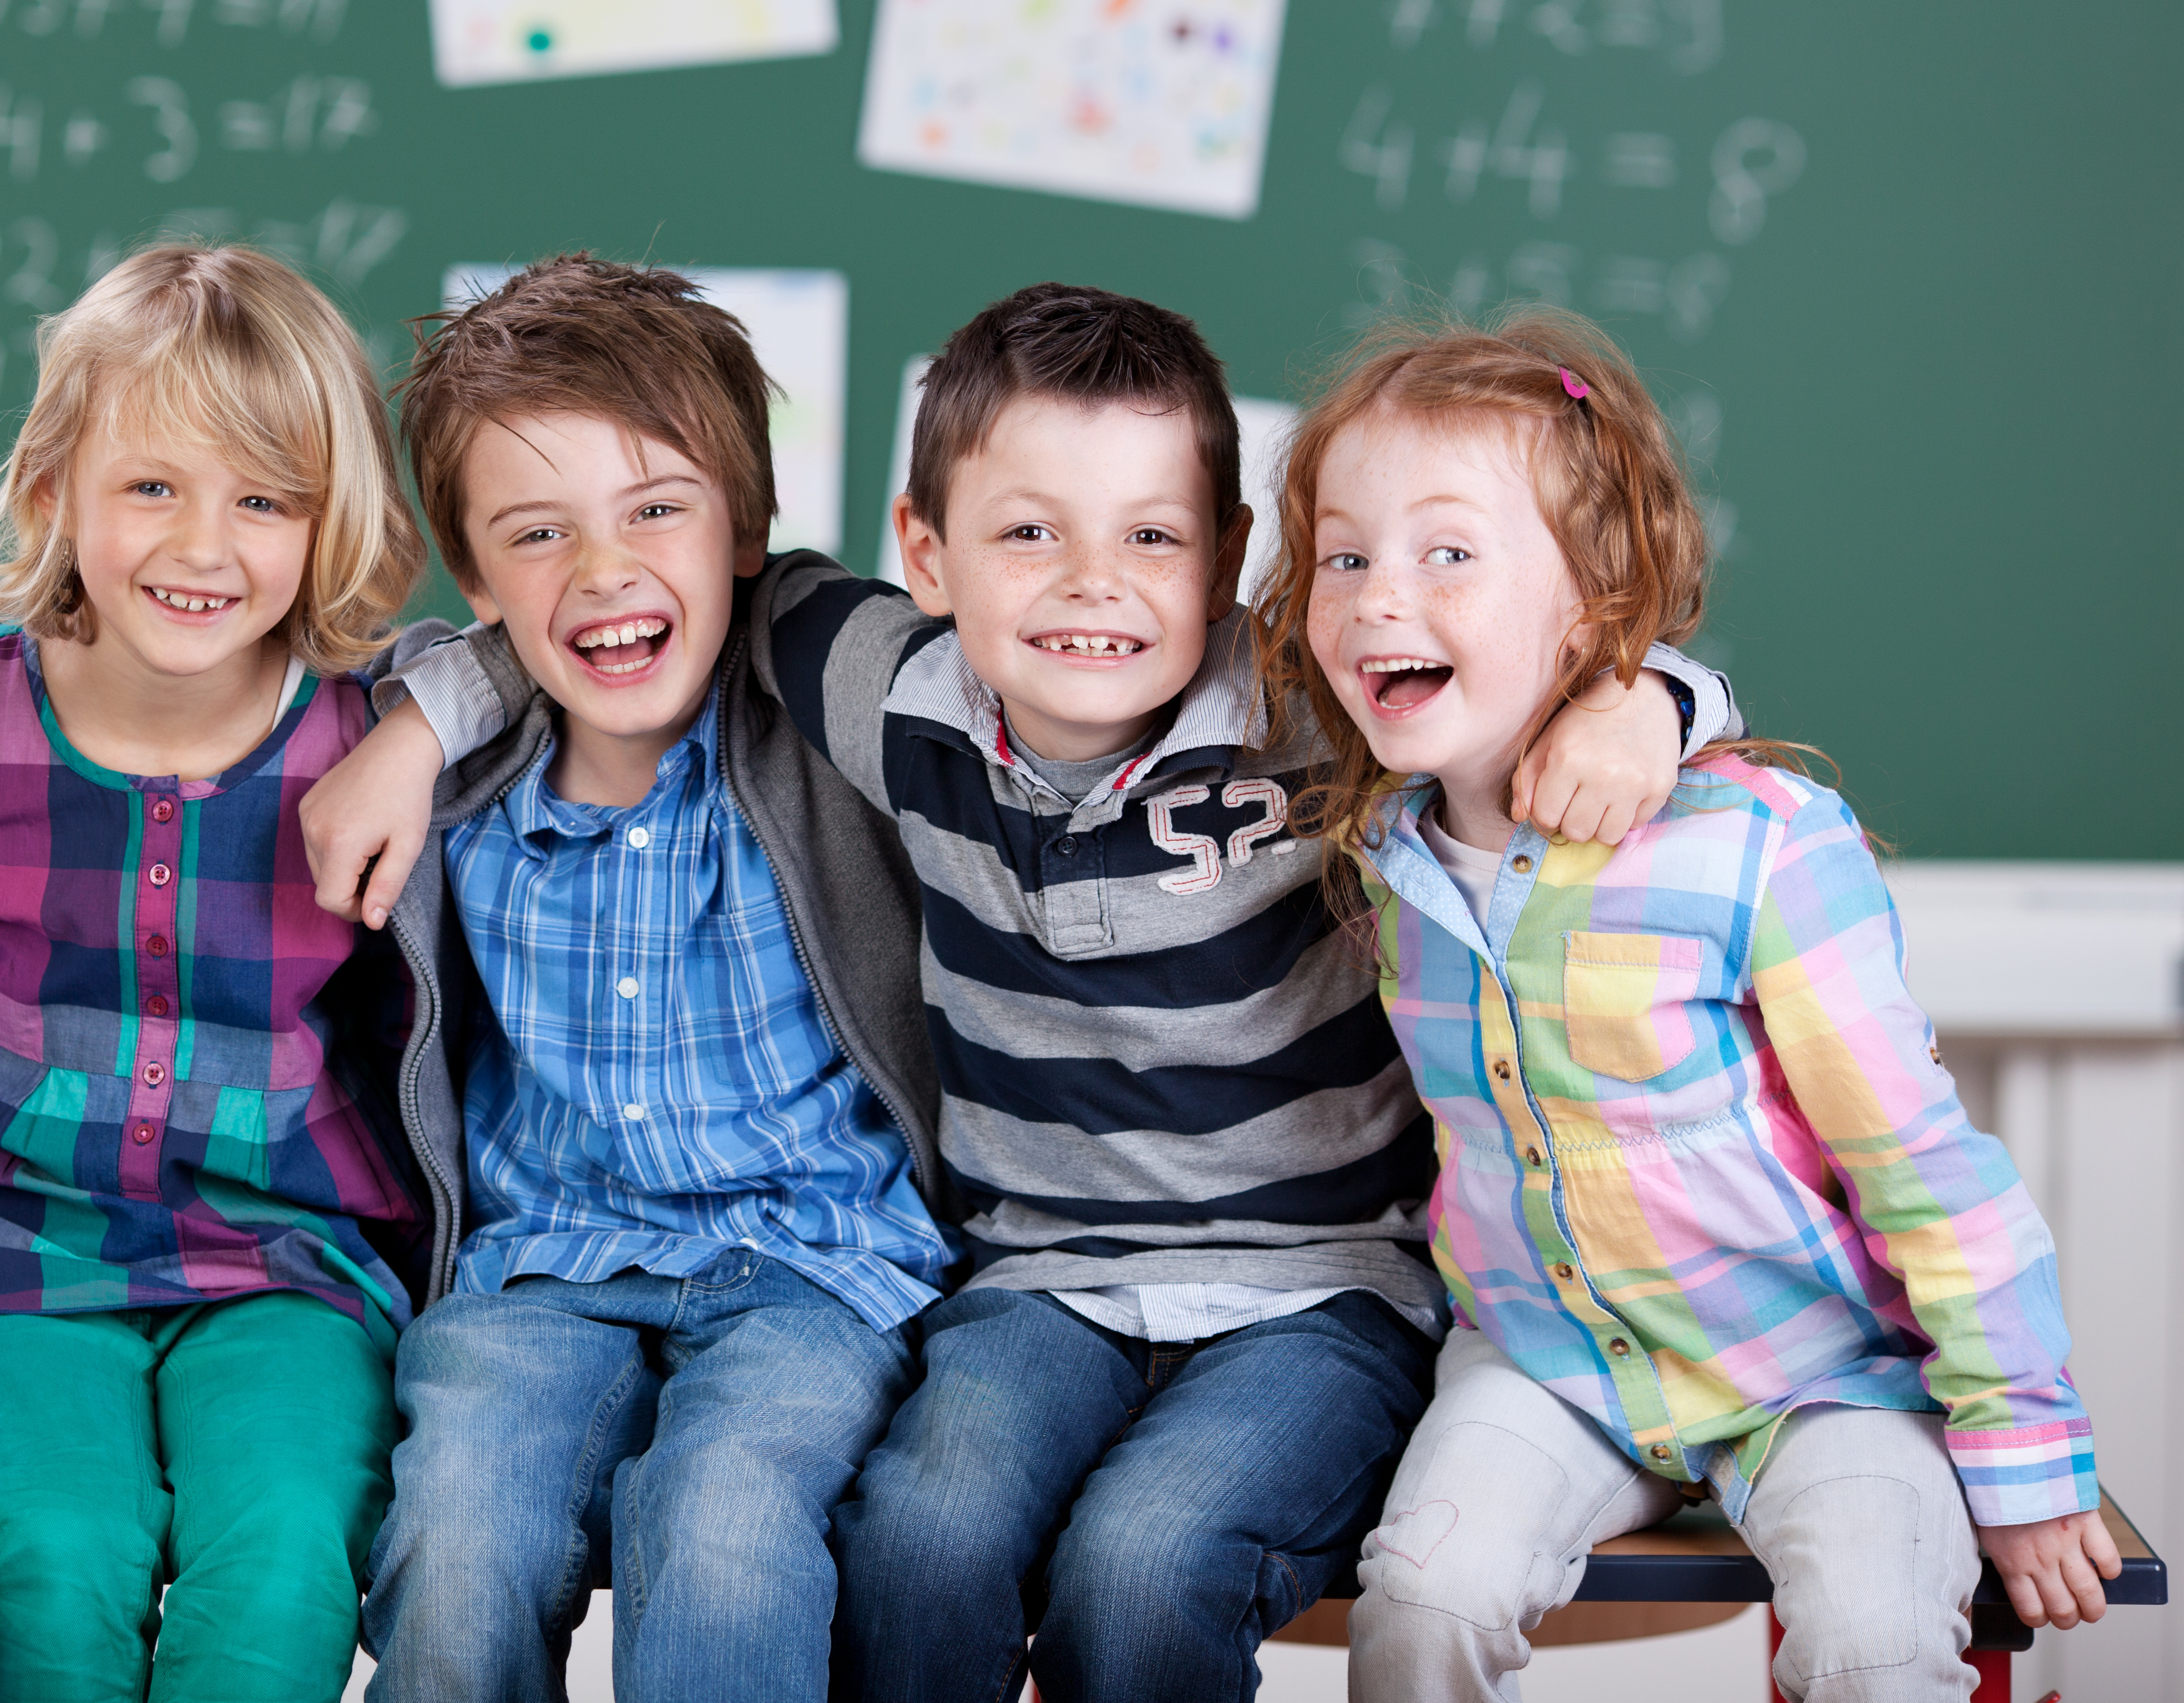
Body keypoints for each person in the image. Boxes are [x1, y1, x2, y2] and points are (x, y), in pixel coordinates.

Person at [316, 281, 1733, 1702]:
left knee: (1139, 1563)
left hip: (1316, 1291)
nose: (1090, 581)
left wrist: (1657, 699)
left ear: (1235, 560)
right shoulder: (893, 694)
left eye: (1153, 537)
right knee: (921, 1537)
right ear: (925, 555)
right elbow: (626, 591)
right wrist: (421, 722)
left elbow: (1506, 665)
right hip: (1039, 1281)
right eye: (1028, 532)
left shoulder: (1315, 699)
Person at [1256, 308, 2112, 1701]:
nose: (1375, 598)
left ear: (1592, 602)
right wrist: (1657, 687)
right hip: (1547, 1368)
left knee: (1878, 1646)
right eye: (1343, 556)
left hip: (1821, 1375)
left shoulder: (1758, 845)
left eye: (1449, 553)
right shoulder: (1378, 851)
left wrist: (2024, 1449)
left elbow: (1926, 1172)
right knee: (1417, 1600)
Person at [282, 253, 961, 1703]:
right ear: (473, 579)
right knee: (455, 1540)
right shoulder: (453, 763)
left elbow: (973, 658)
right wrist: (421, 721)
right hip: (543, 1264)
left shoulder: (817, 716)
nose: (601, 570)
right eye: (537, 533)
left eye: (657, 507)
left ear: (743, 529)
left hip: (813, 1262)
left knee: (718, 1526)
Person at [0, 244, 428, 1703]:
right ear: (55, 486)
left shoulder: (374, 732)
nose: (204, 545)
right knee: (47, 1567)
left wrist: (435, 722)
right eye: (153, 487)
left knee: (283, 1560)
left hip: (283, 1258)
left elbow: (527, 661)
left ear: (330, 522)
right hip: (13, 1253)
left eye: (263, 498)